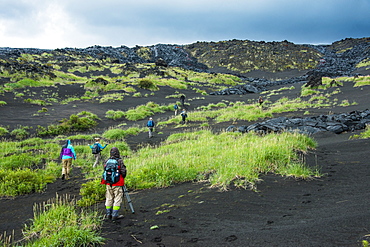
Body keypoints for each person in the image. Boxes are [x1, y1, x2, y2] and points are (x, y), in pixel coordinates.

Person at [101, 147, 127, 221]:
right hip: (118, 183)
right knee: (117, 198)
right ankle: (115, 215)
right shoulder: (119, 161)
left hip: (108, 183)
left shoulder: (107, 161)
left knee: (109, 198)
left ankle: (108, 214)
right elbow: (123, 171)